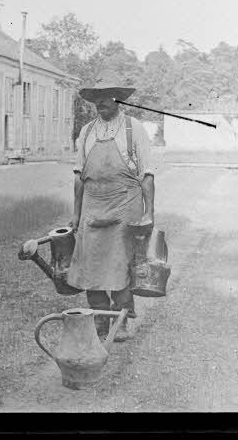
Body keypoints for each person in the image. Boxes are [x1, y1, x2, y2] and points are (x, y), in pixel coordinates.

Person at [66, 75, 156, 342]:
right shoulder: (87, 132)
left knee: (120, 265)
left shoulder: (133, 128)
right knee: (89, 268)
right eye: (96, 97)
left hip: (124, 205)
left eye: (106, 96)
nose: (100, 102)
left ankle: (121, 321)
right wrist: (76, 213)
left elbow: (147, 174)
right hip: (93, 206)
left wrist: (149, 212)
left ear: (118, 99)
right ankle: (101, 321)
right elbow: (78, 177)